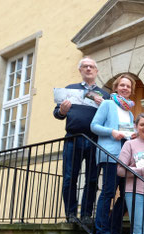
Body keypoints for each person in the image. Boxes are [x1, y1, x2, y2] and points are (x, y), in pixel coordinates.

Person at [53, 56, 109, 223]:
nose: (89, 69)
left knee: (92, 178)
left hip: (94, 140)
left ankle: (86, 214)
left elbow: (109, 119)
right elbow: (57, 114)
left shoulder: (104, 95)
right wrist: (62, 111)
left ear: (96, 71)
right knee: (70, 177)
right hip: (73, 139)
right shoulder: (70, 90)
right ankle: (71, 214)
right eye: (85, 66)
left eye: (92, 66)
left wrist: (103, 105)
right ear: (80, 70)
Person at [90, 73, 135, 234]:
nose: (125, 88)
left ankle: (115, 230)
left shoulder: (129, 113)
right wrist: (112, 132)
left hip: (126, 157)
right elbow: (94, 126)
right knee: (108, 192)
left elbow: (128, 133)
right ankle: (101, 231)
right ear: (116, 87)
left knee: (125, 195)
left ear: (131, 91)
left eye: (128, 86)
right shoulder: (108, 104)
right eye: (122, 85)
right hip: (110, 154)